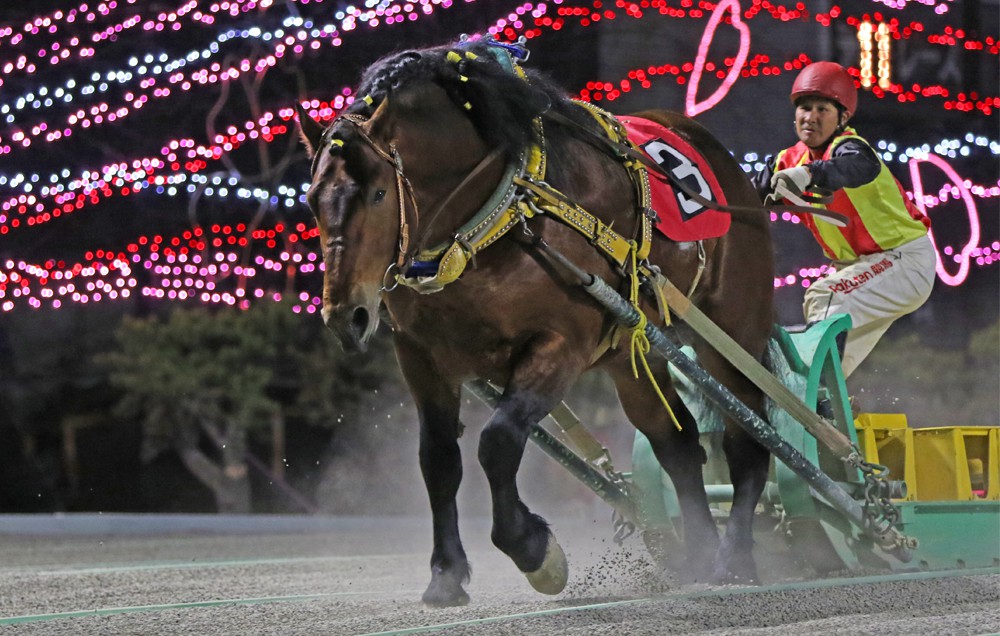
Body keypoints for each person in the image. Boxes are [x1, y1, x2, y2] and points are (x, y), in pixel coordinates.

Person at [753, 61, 936, 377]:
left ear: (843, 118)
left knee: (826, 296)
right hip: (868, 269)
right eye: (804, 108)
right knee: (827, 356)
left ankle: (812, 396)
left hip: (903, 261)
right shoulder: (787, 159)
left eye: (822, 109)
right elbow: (744, 194)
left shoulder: (851, 148)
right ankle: (825, 412)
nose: (810, 117)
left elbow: (857, 167)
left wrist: (809, 174)